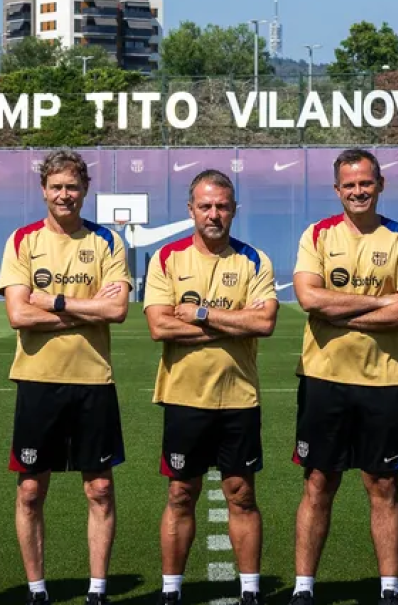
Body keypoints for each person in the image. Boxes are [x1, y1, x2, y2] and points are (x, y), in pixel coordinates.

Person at [289, 148, 398, 605]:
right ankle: (304, 587)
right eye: (349, 185)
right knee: (318, 482)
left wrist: (342, 310)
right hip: (323, 378)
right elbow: (311, 299)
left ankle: (390, 588)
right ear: (337, 190)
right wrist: (382, 303)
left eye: (365, 183)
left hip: (383, 381)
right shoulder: (317, 235)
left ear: (380, 184)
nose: (358, 191)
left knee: (384, 484)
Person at [0, 150, 131, 605]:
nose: (65, 195)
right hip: (38, 380)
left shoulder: (109, 243)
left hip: (94, 381)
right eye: (56, 187)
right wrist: (84, 311)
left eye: (72, 186)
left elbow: (116, 310)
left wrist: (51, 302)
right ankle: (37, 589)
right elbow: (18, 314)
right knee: (32, 490)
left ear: (86, 189)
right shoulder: (22, 241)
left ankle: (97, 590)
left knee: (99, 488)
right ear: (43, 190)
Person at [144, 170, 279, 605]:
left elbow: (264, 323)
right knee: (181, 493)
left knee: (241, 493)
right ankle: (171, 591)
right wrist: (231, 323)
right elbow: (159, 326)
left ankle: (251, 591)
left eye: (222, 205)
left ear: (234, 209)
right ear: (191, 210)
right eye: (205, 206)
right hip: (184, 397)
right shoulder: (167, 258)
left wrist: (200, 315)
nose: (214, 214)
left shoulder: (254, 260)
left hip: (239, 397)